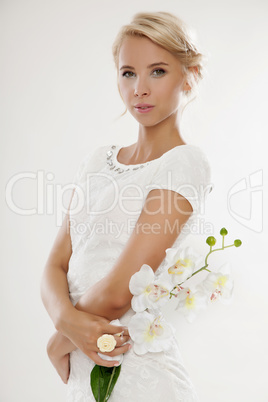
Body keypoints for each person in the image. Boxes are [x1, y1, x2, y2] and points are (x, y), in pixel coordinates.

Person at [41, 11, 212, 401]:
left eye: (157, 71)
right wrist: (67, 326)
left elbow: (121, 291)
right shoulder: (98, 160)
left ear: (190, 74)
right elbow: (55, 264)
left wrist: (59, 339)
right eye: (128, 73)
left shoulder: (183, 163)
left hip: (140, 375)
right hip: (84, 372)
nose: (140, 89)